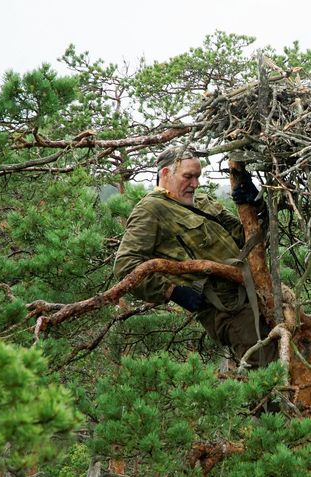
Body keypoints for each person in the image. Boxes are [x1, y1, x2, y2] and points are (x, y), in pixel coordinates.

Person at [113, 145, 276, 368]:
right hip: (227, 311)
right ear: (165, 174)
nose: (195, 184)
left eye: (197, 176)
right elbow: (125, 266)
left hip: (258, 292)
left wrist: (254, 201)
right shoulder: (151, 210)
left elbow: (247, 238)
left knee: (295, 353)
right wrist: (172, 291)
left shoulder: (201, 202)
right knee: (269, 376)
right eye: (188, 177)